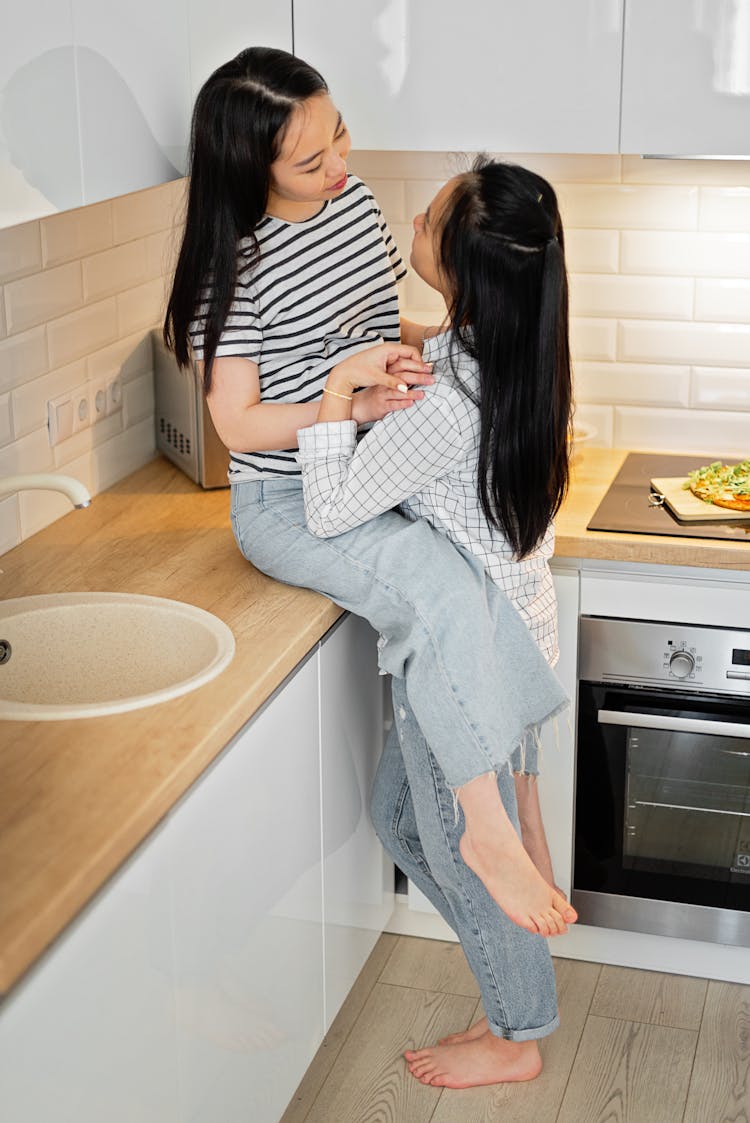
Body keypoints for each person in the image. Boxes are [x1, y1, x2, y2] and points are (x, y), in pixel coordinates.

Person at [164, 46, 575, 948]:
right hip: (288, 502)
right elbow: (236, 424)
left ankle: (517, 804)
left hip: (359, 471)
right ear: (251, 168)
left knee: (475, 589)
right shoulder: (233, 266)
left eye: (339, 134)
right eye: (311, 162)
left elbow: (379, 321)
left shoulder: (347, 208)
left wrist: (457, 349)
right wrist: (341, 398)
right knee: (439, 594)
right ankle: (491, 826)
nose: (342, 167)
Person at [294, 157, 574, 1087]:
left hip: (468, 667)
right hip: (515, 634)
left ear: (458, 266)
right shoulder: (520, 356)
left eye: (429, 218)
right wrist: (405, 344)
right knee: (405, 821)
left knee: (460, 845)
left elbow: (332, 508)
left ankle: (517, 1031)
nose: (413, 216)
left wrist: (339, 389)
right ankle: (510, 976)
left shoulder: (445, 406)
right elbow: (445, 364)